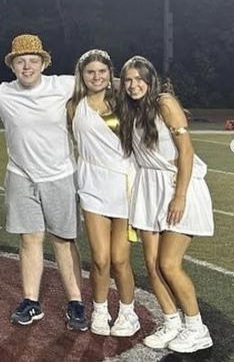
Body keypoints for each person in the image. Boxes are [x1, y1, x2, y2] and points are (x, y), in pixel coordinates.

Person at [0, 34, 88, 331]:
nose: (27, 67)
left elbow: (102, 82)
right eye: (21, 61)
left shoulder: (61, 85)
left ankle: (76, 301)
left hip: (60, 175)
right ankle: (31, 300)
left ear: (43, 63)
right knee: (29, 239)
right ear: (12, 65)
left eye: (33, 61)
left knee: (63, 240)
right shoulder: (0, 94)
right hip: (21, 176)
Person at [118, 55, 214, 353]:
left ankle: (197, 328)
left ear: (150, 79)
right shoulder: (130, 109)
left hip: (176, 186)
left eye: (139, 79)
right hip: (148, 189)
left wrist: (180, 195)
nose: (134, 85)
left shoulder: (164, 103)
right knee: (151, 265)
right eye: (128, 80)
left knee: (168, 264)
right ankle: (172, 322)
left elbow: (185, 152)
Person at [66, 49, 139, 336]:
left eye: (102, 71)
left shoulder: (125, 101)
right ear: (82, 76)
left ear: (110, 74)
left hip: (125, 186)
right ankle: (99, 309)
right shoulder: (73, 105)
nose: (96, 77)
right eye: (90, 72)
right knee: (100, 258)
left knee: (120, 259)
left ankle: (127, 313)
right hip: (92, 185)